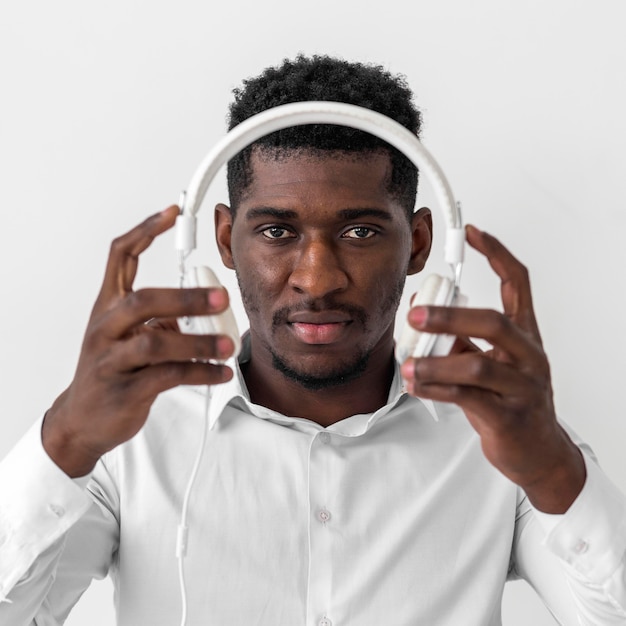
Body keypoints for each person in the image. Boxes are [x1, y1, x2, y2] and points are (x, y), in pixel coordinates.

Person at [0, 54, 624, 625]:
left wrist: (554, 473)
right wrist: (65, 443)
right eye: (276, 231)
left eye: (360, 233)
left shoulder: (505, 440)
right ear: (223, 242)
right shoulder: (128, 438)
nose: (317, 279)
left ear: (422, 246)